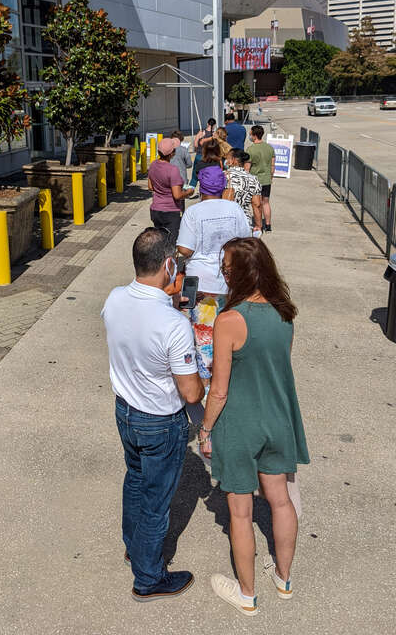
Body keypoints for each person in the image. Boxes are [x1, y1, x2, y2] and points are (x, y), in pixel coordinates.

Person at [198, 237, 310, 617]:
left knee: (241, 512)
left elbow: (220, 389)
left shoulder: (229, 321)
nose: (224, 274)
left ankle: (247, 595)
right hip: (279, 418)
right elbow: (276, 371)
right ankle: (284, 578)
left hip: (240, 425)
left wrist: (205, 429)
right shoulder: (285, 314)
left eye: (227, 268)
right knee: (280, 500)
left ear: (241, 273)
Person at [102, 228, 204, 602]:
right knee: (157, 503)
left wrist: (166, 305)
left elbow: (136, 326)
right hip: (160, 421)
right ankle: (148, 577)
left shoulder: (114, 299)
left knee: (135, 480)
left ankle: (134, 546)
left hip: (125, 412)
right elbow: (191, 391)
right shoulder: (174, 325)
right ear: (168, 265)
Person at [177, 167, 251, 388]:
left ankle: (208, 385)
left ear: (201, 187)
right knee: (228, 332)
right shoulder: (234, 209)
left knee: (204, 338)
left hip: (201, 284)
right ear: (223, 187)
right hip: (230, 282)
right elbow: (246, 241)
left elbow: (185, 249)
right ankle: (227, 377)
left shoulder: (193, 212)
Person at [148, 138, 193, 243]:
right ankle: (169, 259)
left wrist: (162, 189)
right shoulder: (173, 170)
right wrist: (189, 192)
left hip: (156, 209)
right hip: (170, 211)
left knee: (160, 241)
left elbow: (150, 186)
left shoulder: (153, 165)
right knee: (171, 243)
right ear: (172, 154)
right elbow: (177, 195)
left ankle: (160, 259)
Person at [224, 148, 262, 231]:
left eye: (227, 158)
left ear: (233, 160)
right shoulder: (253, 179)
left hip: (225, 221)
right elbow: (257, 204)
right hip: (245, 222)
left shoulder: (223, 176)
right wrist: (258, 225)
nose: (226, 161)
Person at [247, 125, 276, 232]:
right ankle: (268, 225)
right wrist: (271, 177)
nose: (249, 136)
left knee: (256, 204)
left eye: (250, 134)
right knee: (266, 203)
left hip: (255, 180)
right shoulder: (269, 148)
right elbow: (272, 166)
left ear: (254, 135)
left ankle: (258, 225)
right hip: (266, 180)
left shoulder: (250, 149)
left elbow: (247, 168)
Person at [189, 117, 217, 188]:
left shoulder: (201, 132)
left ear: (207, 123)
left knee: (194, 176)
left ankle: (190, 190)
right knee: (206, 176)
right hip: (209, 157)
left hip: (199, 155)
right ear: (214, 125)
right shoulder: (214, 135)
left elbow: (195, 145)